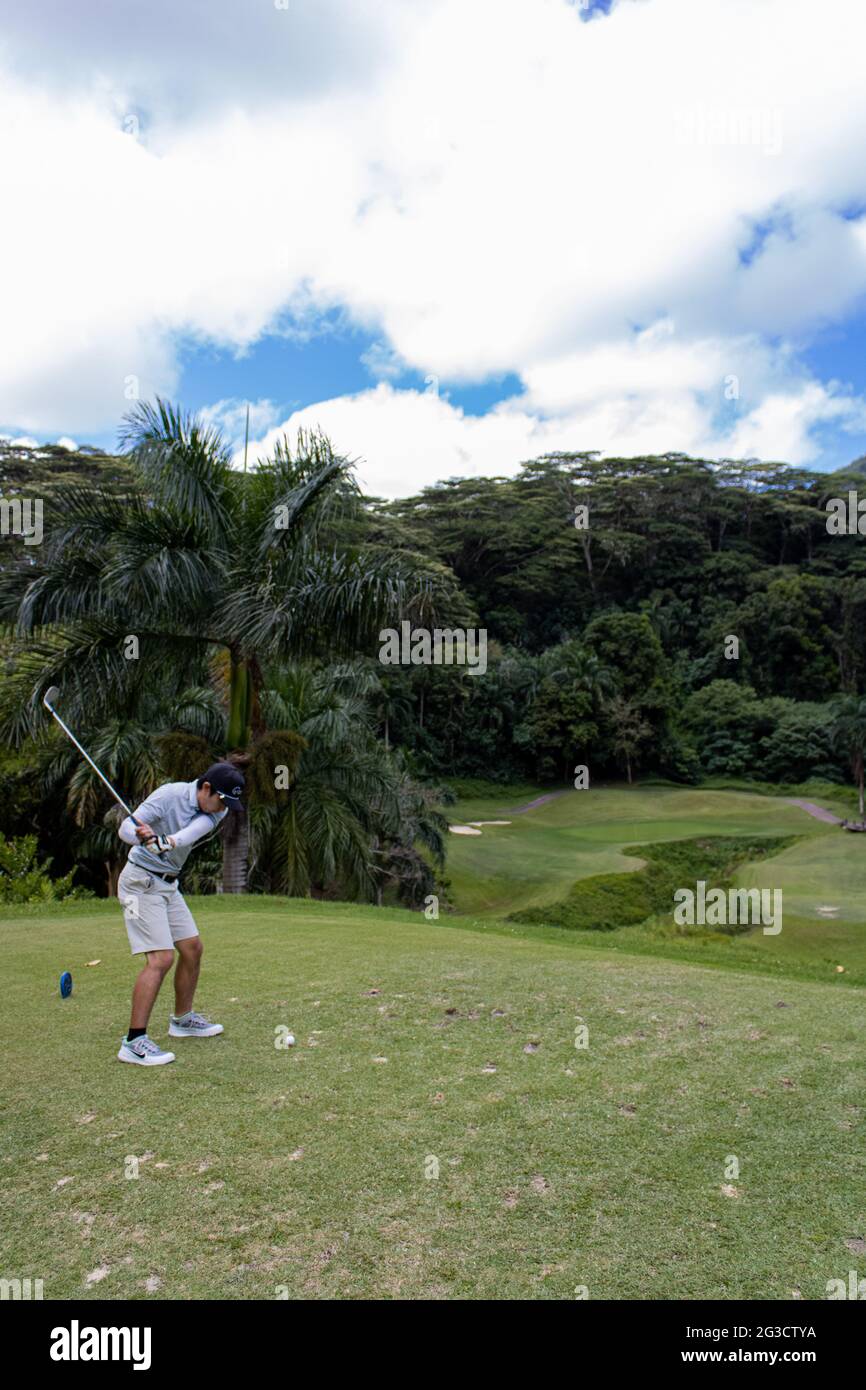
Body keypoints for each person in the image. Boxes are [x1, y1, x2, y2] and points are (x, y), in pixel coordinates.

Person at [115, 762, 245, 1066]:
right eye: (221, 799)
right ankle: (133, 1042)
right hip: (139, 884)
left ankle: (182, 1020)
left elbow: (189, 833)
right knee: (160, 958)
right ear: (206, 788)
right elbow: (124, 829)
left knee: (192, 948)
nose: (223, 808)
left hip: (168, 885)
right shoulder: (168, 795)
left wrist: (165, 841)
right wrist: (140, 835)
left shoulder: (218, 809)